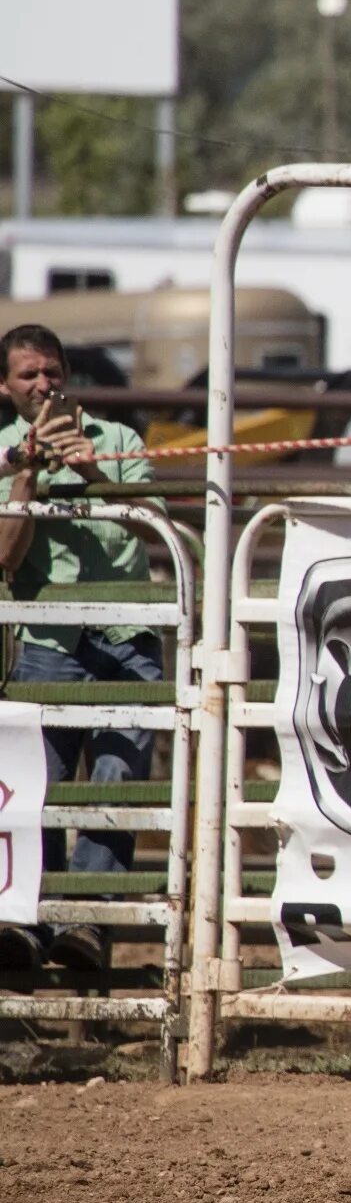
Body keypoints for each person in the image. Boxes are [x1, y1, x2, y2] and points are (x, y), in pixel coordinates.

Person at [0, 324, 157, 973]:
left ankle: (87, 923)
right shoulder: (5, 453)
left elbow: (150, 517)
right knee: (39, 789)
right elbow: (5, 559)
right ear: (5, 387)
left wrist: (88, 465)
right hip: (47, 635)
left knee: (118, 779)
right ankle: (32, 928)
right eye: (29, 375)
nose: (43, 385)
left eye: (52, 371)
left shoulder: (119, 440)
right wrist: (26, 482)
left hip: (125, 630)